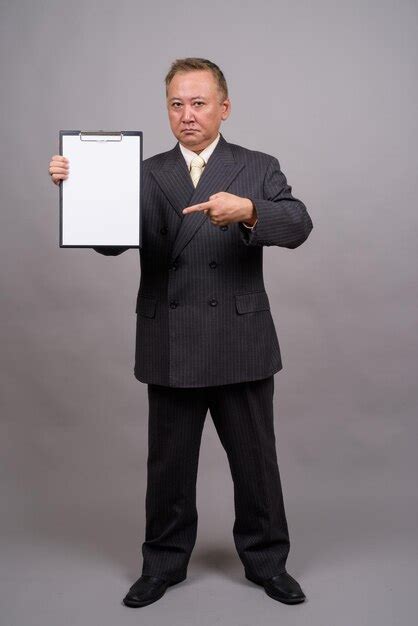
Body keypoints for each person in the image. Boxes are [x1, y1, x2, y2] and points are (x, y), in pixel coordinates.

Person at [49, 57, 313, 608]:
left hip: (239, 338)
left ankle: (268, 563)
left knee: (255, 463)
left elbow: (299, 224)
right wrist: (80, 188)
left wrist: (250, 211)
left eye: (198, 103)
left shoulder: (257, 166)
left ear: (224, 107)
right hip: (170, 335)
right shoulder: (142, 172)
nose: (187, 115)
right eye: (176, 104)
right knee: (168, 466)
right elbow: (110, 241)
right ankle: (163, 565)